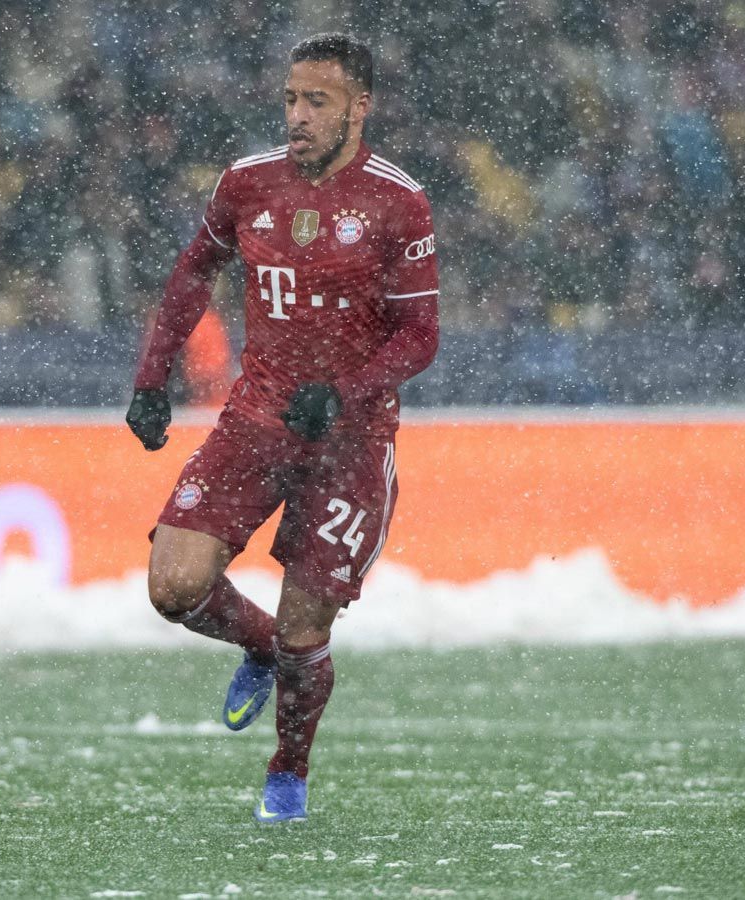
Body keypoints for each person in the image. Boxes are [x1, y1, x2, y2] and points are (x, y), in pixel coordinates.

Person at [126, 33, 440, 824]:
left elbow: (421, 335)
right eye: (291, 99)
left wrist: (344, 392)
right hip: (257, 421)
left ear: (359, 108)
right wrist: (151, 376)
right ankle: (258, 647)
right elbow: (195, 268)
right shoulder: (247, 184)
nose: (297, 116)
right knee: (172, 586)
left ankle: (288, 770)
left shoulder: (398, 203)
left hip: (352, 443)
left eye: (317, 102)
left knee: (309, 625)